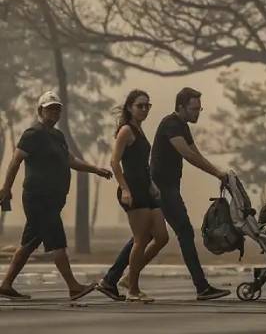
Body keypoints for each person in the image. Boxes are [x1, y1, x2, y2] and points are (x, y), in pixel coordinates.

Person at [101, 87, 230, 301]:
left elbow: (194, 150)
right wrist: (216, 172)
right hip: (161, 187)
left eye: (199, 108)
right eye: (194, 108)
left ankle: (115, 279)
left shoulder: (179, 126)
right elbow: (187, 154)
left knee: (148, 236)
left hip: (156, 186)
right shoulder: (171, 124)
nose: (198, 112)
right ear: (181, 107)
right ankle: (201, 287)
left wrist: (218, 172)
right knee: (183, 232)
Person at [0, 91, 112, 300]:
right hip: (38, 198)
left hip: (53, 199)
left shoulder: (57, 136)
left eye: (57, 109)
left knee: (29, 244)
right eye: (50, 108)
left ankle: (6, 284)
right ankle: (73, 287)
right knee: (57, 242)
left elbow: (71, 161)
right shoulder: (32, 134)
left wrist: (95, 169)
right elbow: (15, 161)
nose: (54, 112)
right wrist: (6, 188)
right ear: (40, 110)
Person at [96, 90, 168, 303]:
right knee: (140, 239)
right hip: (133, 190)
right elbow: (114, 162)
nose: (144, 109)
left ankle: (128, 278)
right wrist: (125, 189)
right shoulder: (126, 130)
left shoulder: (140, 129)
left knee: (161, 237)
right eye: (140, 106)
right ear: (129, 107)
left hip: (146, 189)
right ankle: (133, 289)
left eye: (147, 106)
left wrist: (153, 184)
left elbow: (142, 164)